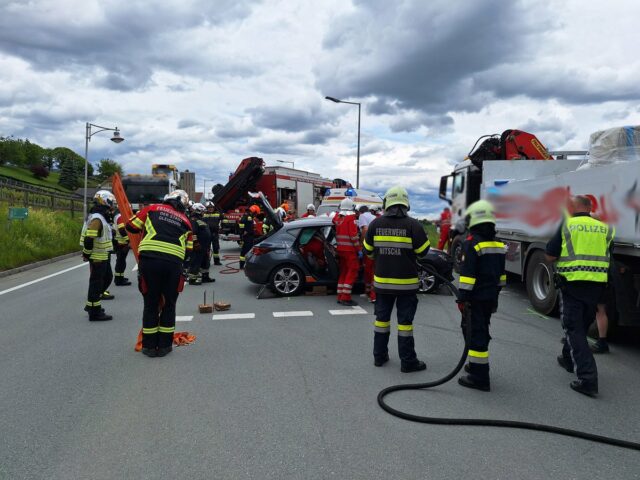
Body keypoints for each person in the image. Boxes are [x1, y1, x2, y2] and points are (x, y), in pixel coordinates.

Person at [546, 195, 615, 397]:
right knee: (582, 325)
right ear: (589, 207)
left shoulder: (568, 225)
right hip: (598, 285)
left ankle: (587, 378)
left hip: (573, 284)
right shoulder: (605, 228)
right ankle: (568, 358)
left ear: (573, 207)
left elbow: (550, 255)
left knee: (573, 328)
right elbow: (609, 252)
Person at [363, 186, 430, 372]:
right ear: (405, 204)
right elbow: (423, 252)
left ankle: (379, 357)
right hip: (407, 287)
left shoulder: (375, 225)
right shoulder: (414, 225)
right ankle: (408, 362)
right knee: (405, 325)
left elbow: (367, 252)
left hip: (383, 285)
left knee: (381, 322)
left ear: (387, 203)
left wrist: (382, 256)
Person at [126, 189, 193, 358]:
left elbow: (130, 227)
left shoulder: (152, 209)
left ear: (167, 199)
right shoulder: (186, 222)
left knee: (151, 303)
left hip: (150, 262)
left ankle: (148, 347)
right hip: (174, 266)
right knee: (169, 304)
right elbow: (189, 251)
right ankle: (164, 346)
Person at [456, 200, 506, 392]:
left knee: (475, 333)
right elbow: (502, 277)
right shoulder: (498, 243)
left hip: (474, 299)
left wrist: (462, 299)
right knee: (481, 329)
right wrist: (495, 296)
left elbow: (467, 277)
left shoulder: (471, 243)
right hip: (490, 297)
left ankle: (479, 377)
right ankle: (475, 365)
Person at [80, 190, 117, 321]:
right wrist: (87, 254)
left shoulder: (100, 216)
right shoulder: (97, 218)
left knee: (106, 279)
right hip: (97, 257)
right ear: (104, 201)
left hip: (102, 255)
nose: (112, 205)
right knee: (96, 284)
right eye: (111, 202)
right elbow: (89, 239)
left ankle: (92, 306)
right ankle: (94, 312)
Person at [333, 198, 361, 306]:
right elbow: (354, 236)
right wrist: (359, 250)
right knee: (353, 271)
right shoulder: (351, 218)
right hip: (350, 250)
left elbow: (334, 218)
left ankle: (340, 295)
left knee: (344, 272)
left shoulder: (338, 218)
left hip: (340, 250)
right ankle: (345, 297)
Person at [188, 203, 215, 285]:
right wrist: (196, 243)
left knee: (205, 262)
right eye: (203, 211)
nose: (204, 212)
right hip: (198, 246)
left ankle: (205, 277)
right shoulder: (193, 220)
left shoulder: (201, 219)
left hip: (204, 246)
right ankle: (192, 279)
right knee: (196, 262)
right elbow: (193, 233)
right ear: (198, 211)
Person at [357, 205, 376, 303]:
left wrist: (361, 243)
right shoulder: (374, 217)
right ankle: (368, 292)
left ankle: (373, 296)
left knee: (370, 271)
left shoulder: (362, 216)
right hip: (376, 246)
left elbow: (364, 230)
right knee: (369, 270)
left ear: (360, 212)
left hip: (369, 247)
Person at [112, 211, 132, 286]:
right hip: (122, 243)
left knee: (121, 262)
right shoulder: (121, 217)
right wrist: (128, 240)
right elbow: (122, 230)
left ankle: (120, 277)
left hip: (120, 243)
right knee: (121, 262)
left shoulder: (117, 216)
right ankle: (119, 280)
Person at [239, 205, 260, 269]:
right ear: (253, 211)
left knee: (249, 250)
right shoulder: (247, 216)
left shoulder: (249, 216)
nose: (255, 214)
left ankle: (246, 264)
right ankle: (242, 265)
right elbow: (241, 223)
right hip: (247, 237)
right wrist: (243, 231)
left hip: (250, 236)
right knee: (245, 250)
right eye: (255, 213)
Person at [203, 201, 223, 266]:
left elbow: (223, 217)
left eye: (212, 207)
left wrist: (219, 209)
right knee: (207, 248)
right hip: (206, 234)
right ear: (206, 208)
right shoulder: (204, 214)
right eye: (209, 208)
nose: (210, 209)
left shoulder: (217, 214)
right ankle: (206, 261)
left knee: (216, 248)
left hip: (215, 234)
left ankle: (216, 261)